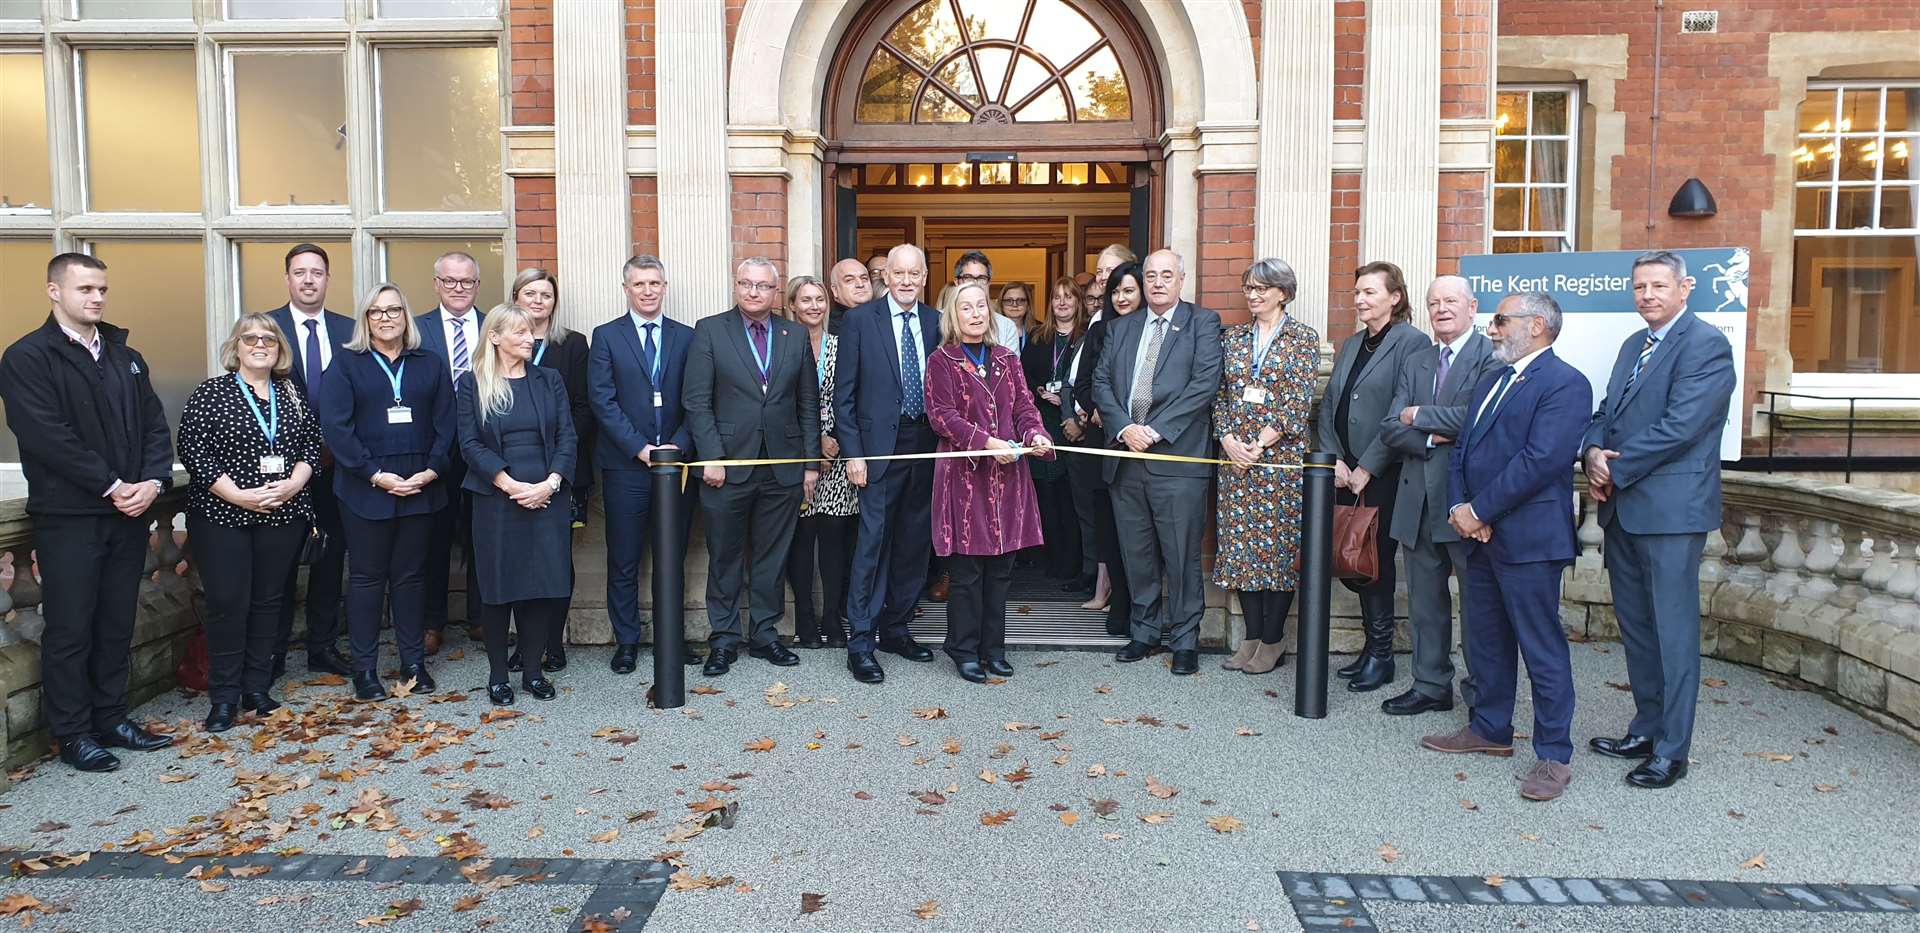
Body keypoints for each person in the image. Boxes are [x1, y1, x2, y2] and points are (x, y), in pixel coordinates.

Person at [0, 253, 175, 772]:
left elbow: (153, 426)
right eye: (84, 289)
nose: (96, 298)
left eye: (101, 289)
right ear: (54, 291)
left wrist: (153, 481)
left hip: (128, 514)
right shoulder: (28, 357)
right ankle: (73, 732)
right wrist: (113, 484)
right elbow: (45, 435)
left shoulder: (125, 356)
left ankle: (111, 717)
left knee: (116, 621)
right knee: (72, 626)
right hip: (69, 516)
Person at [1421, 292, 1590, 803]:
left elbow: (1540, 461)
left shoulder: (1566, 383)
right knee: (1486, 636)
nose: (1492, 329)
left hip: (1530, 540)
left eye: (1500, 320)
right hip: (1479, 534)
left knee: (1541, 647)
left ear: (1536, 325)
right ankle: (1490, 728)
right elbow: (1463, 451)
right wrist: (1460, 509)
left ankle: (1554, 753)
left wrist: (1480, 511)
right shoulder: (1493, 379)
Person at [1583, 250, 1736, 790]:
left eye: (1658, 286)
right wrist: (1592, 452)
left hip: (1670, 513)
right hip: (1623, 509)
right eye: (1640, 286)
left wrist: (1614, 470)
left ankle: (1673, 750)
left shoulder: (1706, 345)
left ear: (1685, 287)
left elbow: (1682, 426)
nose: (1647, 295)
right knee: (1639, 629)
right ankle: (1646, 728)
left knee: (1672, 633)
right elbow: (1607, 412)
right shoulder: (1633, 345)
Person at [178, 314, 321, 731]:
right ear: (236, 347)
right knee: (227, 604)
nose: (260, 345)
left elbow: (311, 444)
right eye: (251, 338)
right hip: (223, 515)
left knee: (268, 602)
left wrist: (292, 486)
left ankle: (257, 688)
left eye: (269, 339)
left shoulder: (290, 393)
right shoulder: (211, 393)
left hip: (282, 513)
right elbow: (193, 448)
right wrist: (237, 494)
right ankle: (223, 697)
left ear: (280, 349)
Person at [317, 283, 454, 701]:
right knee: (366, 579)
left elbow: (447, 423)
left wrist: (431, 471)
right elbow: (336, 430)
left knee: (412, 578)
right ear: (365, 320)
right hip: (366, 489)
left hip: (419, 485)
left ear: (406, 316)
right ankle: (365, 670)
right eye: (376, 312)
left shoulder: (429, 363)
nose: (386, 318)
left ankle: (414, 663)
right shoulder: (345, 365)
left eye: (393, 310)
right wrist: (375, 475)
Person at [683, 257, 819, 677]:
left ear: (775, 292)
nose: (753, 292)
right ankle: (723, 640)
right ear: (736, 286)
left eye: (761, 285)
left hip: (783, 468)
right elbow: (696, 401)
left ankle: (764, 635)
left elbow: (808, 404)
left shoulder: (794, 335)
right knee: (724, 557)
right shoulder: (710, 330)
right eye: (745, 284)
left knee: (771, 557)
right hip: (726, 467)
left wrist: (810, 465)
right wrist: (711, 458)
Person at [1093, 249, 1223, 676]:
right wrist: (1124, 427)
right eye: (1151, 276)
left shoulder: (1202, 323)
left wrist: (1156, 428)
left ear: (1181, 280)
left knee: (1182, 554)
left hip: (1177, 460)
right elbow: (1100, 382)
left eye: (1167, 275)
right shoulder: (1122, 327)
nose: (1158, 283)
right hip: (1126, 458)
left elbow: (1204, 384)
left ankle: (1185, 639)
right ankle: (1144, 632)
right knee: (1138, 553)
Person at [1376, 275, 1502, 715]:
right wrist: (1431, 438)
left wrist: (1420, 415)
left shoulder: (1492, 355)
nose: (1442, 309)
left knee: (1478, 605)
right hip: (1417, 500)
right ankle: (1430, 686)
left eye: (1451, 301)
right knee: (1425, 604)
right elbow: (1391, 426)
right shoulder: (1418, 360)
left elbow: (1478, 418)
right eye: (1434, 302)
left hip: (1466, 502)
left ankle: (1484, 694)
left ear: (1473, 306)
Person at [927, 282, 1055, 682]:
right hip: (966, 481)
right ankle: (963, 648)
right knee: (967, 573)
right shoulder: (942, 361)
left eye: (981, 306)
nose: (976, 313)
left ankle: (993, 648)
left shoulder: (1006, 359)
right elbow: (942, 416)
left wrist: (1035, 434)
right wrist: (985, 442)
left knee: (1001, 570)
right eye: (966, 308)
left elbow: (1023, 407)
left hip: (1008, 479)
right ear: (954, 315)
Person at [1318, 261, 1431, 692]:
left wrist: (1367, 466)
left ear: (1395, 297)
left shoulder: (1413, 343)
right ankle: (1370, 649)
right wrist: (1335, 461)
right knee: (1354, 561)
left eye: (1370, 292)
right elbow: (1330, 405)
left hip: (1382, 473)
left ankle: (1382, 655)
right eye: (1357, 292)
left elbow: (1402, 409)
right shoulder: (1351, 344)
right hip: (1343, 470)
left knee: (1376, 563)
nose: (1360, 299)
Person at [834, 244, 943, 684]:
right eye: (897, 273)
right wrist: (853, 453)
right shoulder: (859, 321)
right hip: (877, 450)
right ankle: (861, 640)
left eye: (913, 273)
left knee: (914, 544)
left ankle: (897, 628)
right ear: (887, 277)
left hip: (926, 445)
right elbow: (845, 396)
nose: (905, 280)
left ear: (923, 277)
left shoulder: (938, 321)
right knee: (872, 546)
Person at [456, 306, 575, 706]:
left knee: (539, 586)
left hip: (547, 497)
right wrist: (508, 483)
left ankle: (534, 672)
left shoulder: (549, 379)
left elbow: (567, 437)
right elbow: (469, 443)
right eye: (520, 332)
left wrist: (550, 483)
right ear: (495, 337)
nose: (529, 338)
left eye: (530, 332)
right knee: (498, 588)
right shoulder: (472, 383)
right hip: (496, 499)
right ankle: (498, 676)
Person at [590, 254, 696, 674]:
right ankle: (627, 641)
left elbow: (696, 400)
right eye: (639, 284)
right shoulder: (606, 336)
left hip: (675, 467)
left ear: (665, 286)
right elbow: (602, 400)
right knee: (624, 558)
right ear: (626, 289)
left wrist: (675, 448)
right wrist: (639, 448)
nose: (648, 291)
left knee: (673, 556)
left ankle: (673, 637)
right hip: (625, 467)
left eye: (654, 283)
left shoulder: (687, 337)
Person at [1213, 259, 1320, 675]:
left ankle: (1273, 640)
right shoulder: (1234, 338)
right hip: (1234, 462)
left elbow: (1297, 401)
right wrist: (1228, 441)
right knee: (1240, 552)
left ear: (1283, 292)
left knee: (1276, 555)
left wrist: (1256, 445)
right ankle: (1251, 638)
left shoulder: (1302, 338)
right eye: (1248, 288)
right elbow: (1217, 396)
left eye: (1261, 288)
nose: (1253, 296)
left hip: (1277, 463)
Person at [265, 243, 354, 678]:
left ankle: (322, 644)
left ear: (327, 279)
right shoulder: (267, 328)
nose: (308, 280)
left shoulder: (350, 331)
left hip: (337, 466)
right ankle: (274, 651)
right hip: (281, 469)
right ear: (287, 279)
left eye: (316, 272)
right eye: (299, 272)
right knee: (280, 559)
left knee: (330, 556)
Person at [505, 269, 589, 675]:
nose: (538, 301)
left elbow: (582, 408)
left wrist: (554, 463)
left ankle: (553, 642)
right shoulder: (500, 347)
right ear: (516, 297)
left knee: (557, 559)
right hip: (512, 474)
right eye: (529, 293)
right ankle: (526, 644)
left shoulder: (572, 345)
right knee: (520, 558)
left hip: (561, 471)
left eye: (546, 295)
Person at [414, 251, 486, 655]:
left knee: (482, 534)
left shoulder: (493, 325)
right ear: (437, 283)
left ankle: (481, 619)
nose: (459, 289)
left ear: (477, 285)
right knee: (434, 537)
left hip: (483, 447)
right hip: (433, 449)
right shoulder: (417, 329)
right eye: (451, 281)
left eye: (467, 282)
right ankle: (431, 622)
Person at [784, 275, 859, 649]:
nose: (814, 306)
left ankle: (833, 618)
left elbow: (852, 399)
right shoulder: (782, 347)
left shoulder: (841, 347)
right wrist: (813, 445)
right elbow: (781, 405)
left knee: (833, 539)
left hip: (839, 454)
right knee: (800, 539)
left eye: (819, 299)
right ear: (792, 305)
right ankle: (804, 622)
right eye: (806, 299)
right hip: (796, 453)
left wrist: (836, 444)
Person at [1070, 257, 1143, 634]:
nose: (1120, 297)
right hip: (1104, 442)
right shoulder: (1099, 332)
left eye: (1128, 290)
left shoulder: (1157, 332)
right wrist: (1102, 410)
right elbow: (1084, 383)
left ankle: (1138, 606)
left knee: (1140, 532)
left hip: (1145, 443)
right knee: (1108, 528)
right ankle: (1119, 607)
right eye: (1115, 291)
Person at [1021, 276, 1085, 581]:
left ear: (1077, 301)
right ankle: (1046, 562)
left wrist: (1066, 398)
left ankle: (1071, 565)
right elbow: (1021, 379)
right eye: (1057, 297)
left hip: (1073, 424)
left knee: (1070, 497)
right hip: (1042, 422)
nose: (1062, 302)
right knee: (1044, 494)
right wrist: (1039, 391)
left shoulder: (1087, 337)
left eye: (1068, 296)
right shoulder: (1037, 338)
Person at [952, 250, 1023, 356]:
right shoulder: (938, 320)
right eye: (968, 278)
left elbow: (1010, 370)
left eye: (981, 278)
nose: (975, 283)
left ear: (989, 283)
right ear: (957, 282)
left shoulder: (1006, 327)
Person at [828, 258, 873, 333]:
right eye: (849, 280)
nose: (860, 284)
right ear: (835, 290)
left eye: (864, 278)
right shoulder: (827, 326)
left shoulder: (885, 317)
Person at [997, 281, 1035, 351]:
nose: (1014, 305)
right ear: (1001, 304)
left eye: (1020, 300)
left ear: (1028, 305)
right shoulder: (990, 331)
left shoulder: (1039, 332)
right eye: (1008, 300)